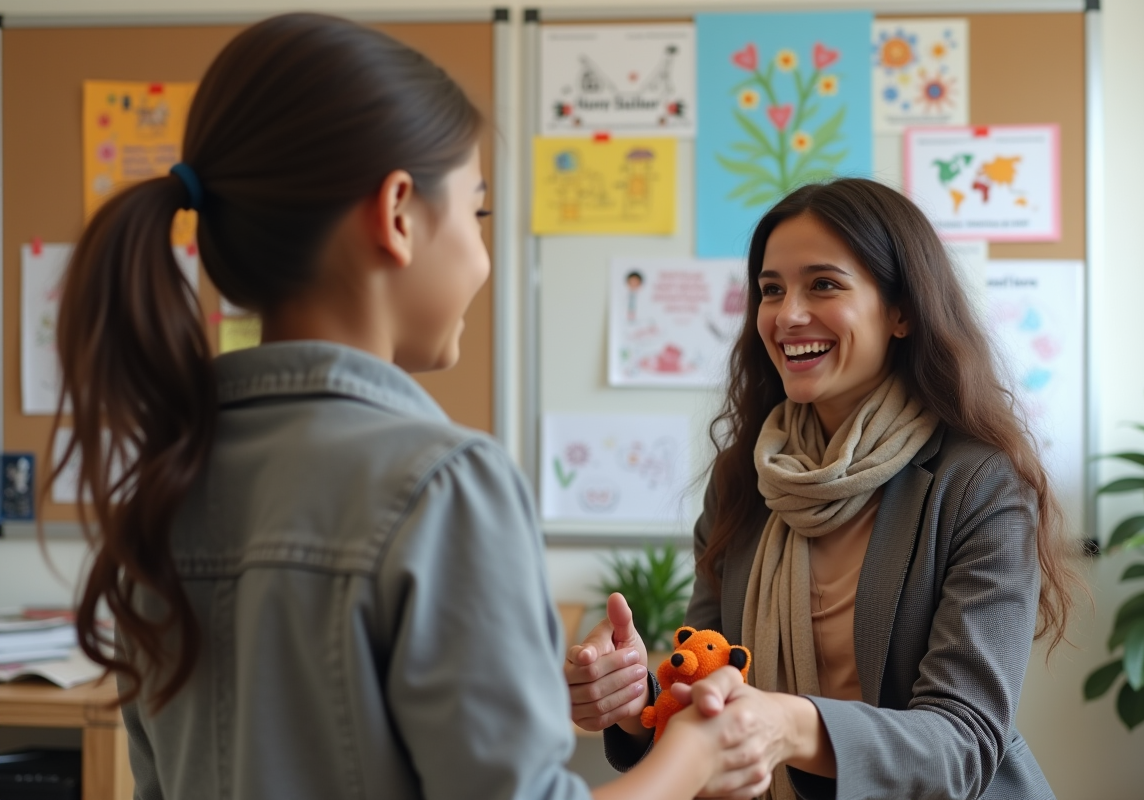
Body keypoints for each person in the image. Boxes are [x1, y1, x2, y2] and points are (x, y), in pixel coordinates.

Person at [52, 14, 751, 800]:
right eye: (477, 214)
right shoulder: (444, 483)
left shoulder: (164, 485)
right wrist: (692, 756)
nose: (484, 257)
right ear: (397, 215)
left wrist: (535, 699)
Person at [565, 178, 1082, 800]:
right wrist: (633, 701)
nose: (787, 315)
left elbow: (965, 742)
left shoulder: (978, 482)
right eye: (771, 290)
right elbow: (707, 695)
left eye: (825, 285)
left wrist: (788, 723)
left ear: (902, 311)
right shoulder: (745, 479)